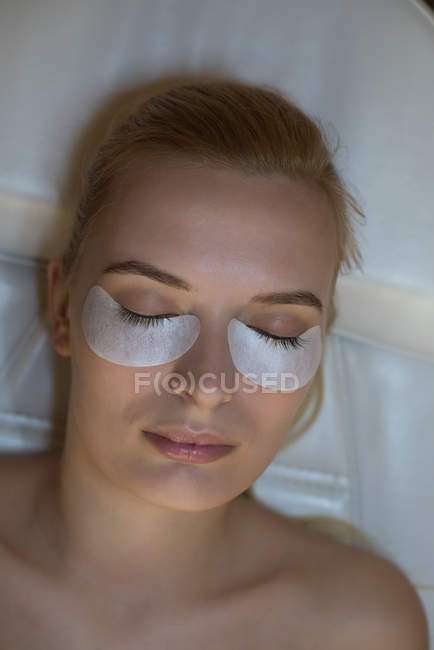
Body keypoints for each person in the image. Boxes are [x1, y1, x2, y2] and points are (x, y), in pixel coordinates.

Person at [0, 76, 428, 649]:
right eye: (148, 313)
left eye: (274, 333)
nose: (205, 384)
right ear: (60, 308)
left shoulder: (358, 630)